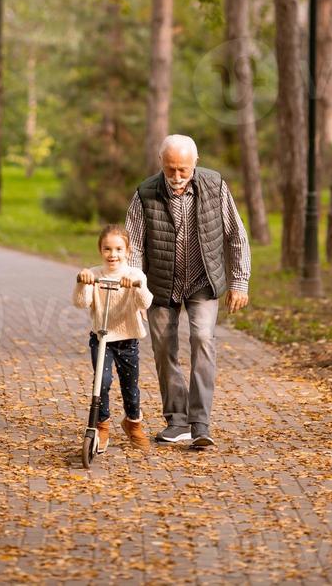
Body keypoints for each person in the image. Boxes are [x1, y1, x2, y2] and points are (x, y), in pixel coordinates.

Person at [125, 134, 251, 449]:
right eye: (171, 171)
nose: (177, 178)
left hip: (202, 279)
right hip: (160, 283)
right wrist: (137, 292)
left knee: (202, 338)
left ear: (196, 161)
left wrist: (239, 281)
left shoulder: (215, 185)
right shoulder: (145, 193)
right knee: (164, 348)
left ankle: (200, 423)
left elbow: (236, 234)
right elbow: (134, 246)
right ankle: (177, 421)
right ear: (161, 164)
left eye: (183, 170)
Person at [73, 224, 153, 452]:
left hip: (128, 340)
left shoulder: (135, 274)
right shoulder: (95, 274)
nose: (113, 254)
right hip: (102, 339)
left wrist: (135, 287)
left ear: (127, 251)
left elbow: (146, 303)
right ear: (100, 250)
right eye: (107, 249)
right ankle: (102, 424)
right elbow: (81, 303)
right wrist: (82, 281)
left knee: (130, 386)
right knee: (103, 382)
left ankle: (133, 422)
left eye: (118, 249)